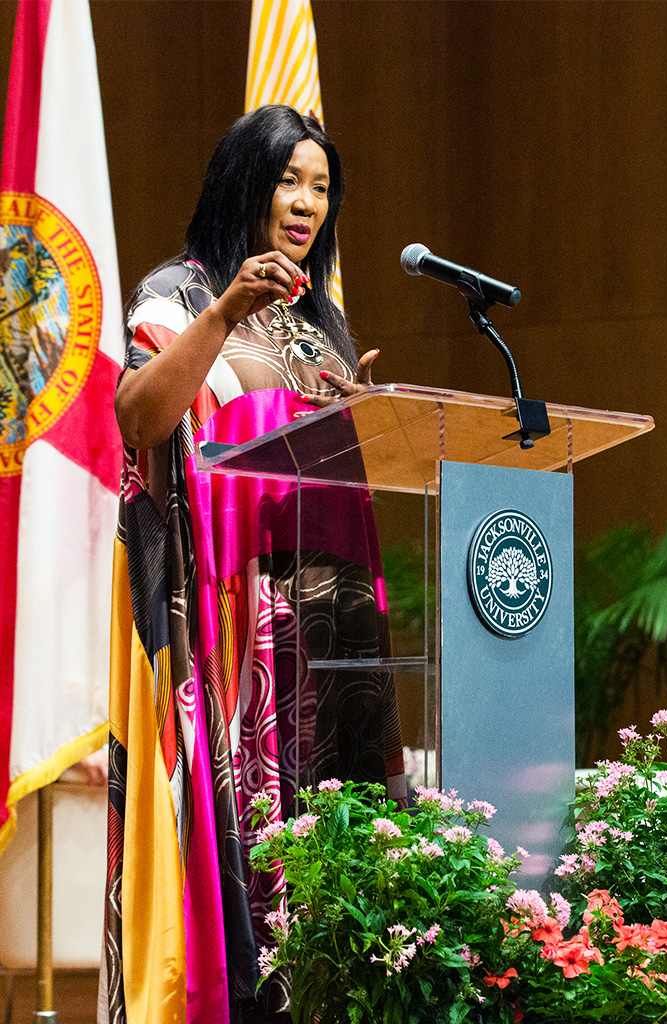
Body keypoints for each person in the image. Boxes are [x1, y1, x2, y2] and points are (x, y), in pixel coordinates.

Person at [106, 105, 404, 1024]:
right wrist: (229, 309)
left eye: (321, 187)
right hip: (227, 632)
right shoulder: (179, 294)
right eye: (289, 180)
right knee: (239, 844)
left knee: (330, 840)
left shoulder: (323, 321)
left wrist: (365, 411)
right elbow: (139, 418)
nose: (307, 203)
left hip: (325, 634)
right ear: (245, 180)